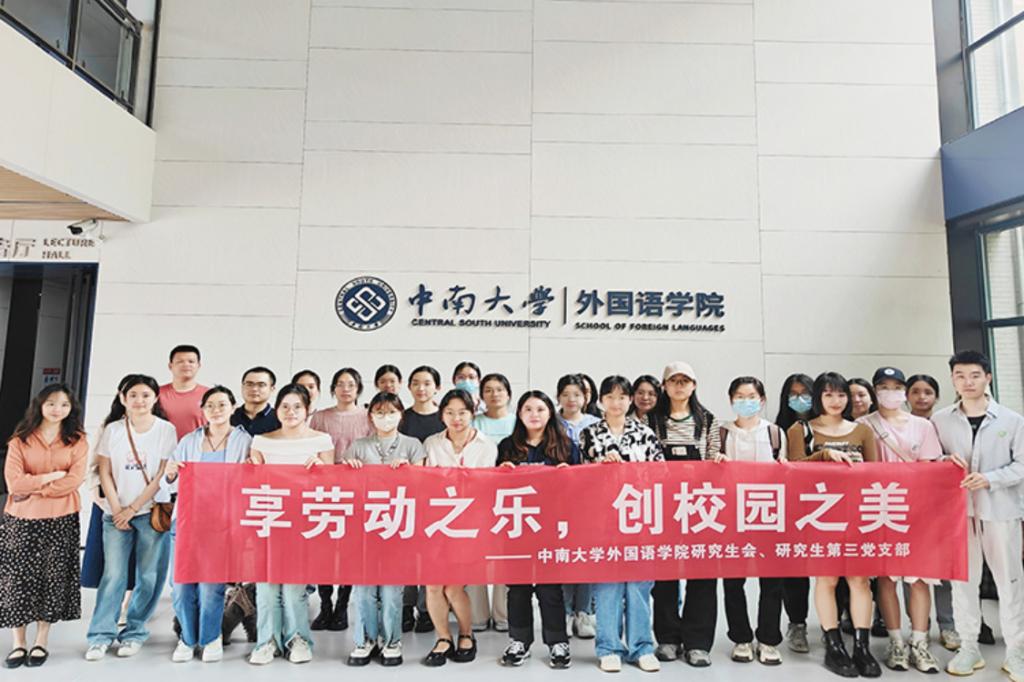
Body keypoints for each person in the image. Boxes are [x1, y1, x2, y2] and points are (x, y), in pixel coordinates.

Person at [931, 350, 1024, 680]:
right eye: (960, 375)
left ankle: (1016, 651)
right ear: (952, 380)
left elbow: (1022, 465)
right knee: (962, 582)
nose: (967, 382)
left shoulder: (1012, 420)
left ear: (988, 377)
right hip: (958, 514)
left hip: (1000, 511)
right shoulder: (941, 420)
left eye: (974, 375)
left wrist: (990, 479)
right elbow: (930, 460)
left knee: (1009, 582)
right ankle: (969, 647)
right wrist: (943, 462)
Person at [786, 372, 880, 678]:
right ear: (818, 398)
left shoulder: (862, 431)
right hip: (819, 516)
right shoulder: (801, 429)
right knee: (826, 579)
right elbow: (794, 469)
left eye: (841, 395)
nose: (836, 401)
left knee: (860, 580)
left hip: (858, 514)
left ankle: (862, 647)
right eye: (828, 394)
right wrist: (824, 455)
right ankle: (834, 644)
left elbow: (876, 474)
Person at [857, 367, 943, 674]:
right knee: (886, 577)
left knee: (918, 578)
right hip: (879, 509)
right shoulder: (863, 425)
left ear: (904, 391)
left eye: (896, 387)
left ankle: (919, 642)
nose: (890, 392)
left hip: (917, 511)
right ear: (875, 390)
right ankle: (895, 642)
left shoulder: (922, 426)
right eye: (883, 386)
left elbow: (929, 468)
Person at [85, 375, 177, 661]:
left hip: (150, 513)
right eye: (133, 395)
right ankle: (100, 636)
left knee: (148, 576)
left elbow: (161, 474)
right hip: (115, 515)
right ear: (123, 398)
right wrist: (117, 508)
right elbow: (104, 471)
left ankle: (134, 632)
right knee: (113, 575)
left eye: (146, 395)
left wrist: (134, 507)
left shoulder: (165, 429)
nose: (139, 400)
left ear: (155, 398)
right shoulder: (112, 429)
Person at [1, 384, 87, 669]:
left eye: (64, 404)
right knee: (18, 579)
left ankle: (41, 640)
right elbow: (14, 483)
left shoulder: (77, 440)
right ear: (39, 405)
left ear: (71, 409)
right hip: (22, 518)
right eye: (51, 403)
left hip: (61, 517)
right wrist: (49, 477)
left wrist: (36, 489)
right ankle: (18, 643)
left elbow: (74, 480)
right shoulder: (20, 440)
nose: (57, 409)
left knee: (52, 578)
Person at [581, 375, 663, 673]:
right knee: (607, 586)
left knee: (639, 586)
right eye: (610, 397)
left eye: (622, 397)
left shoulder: (645, 433)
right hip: (602, 520)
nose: (616, 403)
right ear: (601, 401)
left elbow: (661, 475)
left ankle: (642, 647)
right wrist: (599, 467)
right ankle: (609, 647)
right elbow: (577, 477)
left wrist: (630, 470)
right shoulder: (589, 434)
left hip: (639, 518)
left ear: (630, 401)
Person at [164, 386, 252, 663]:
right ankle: (187, 639)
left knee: (210, 587)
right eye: (210, 405)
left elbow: (250, 481)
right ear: (202, 410)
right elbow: (171, 480)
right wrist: (170, 473)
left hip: (221, 524)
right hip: (187, 521)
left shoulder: (244, 441)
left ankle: (210, 638)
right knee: (182, 586)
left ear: (233, 407)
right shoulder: (190, 440)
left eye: (222, 404)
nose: (216, 410)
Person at [247, 384, 333, 665]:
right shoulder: (262, 440)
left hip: (304, 523)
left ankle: (298, 639)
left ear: (307, 410)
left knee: (295, 588)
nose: (291, 412)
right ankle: (267, 642)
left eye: (297, 406)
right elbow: (252, 482)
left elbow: (333, 485)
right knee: (266, 588)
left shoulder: (322, 440)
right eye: (285, 406)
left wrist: (321, 470)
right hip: (268, 520)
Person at [342, 392, 426, 667]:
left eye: (391, 412)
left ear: (401, 415)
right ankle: (365, 640)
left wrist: (409, 471)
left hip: (397, 526)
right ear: (370, 416)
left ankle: (391, 641)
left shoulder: (413, 445)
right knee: (364, 590)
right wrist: (349, 471)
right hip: (364, 528)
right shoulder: (358, 446)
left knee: (392, 591)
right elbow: (345, 490)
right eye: (379, 413)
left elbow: (423, 487)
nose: (385, 418)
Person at [647, 361, 721, 668]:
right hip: (663, 505)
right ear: (664, 386)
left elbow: (714, 456)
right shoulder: (650, 420)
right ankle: (667, 638)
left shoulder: (708, 420)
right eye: (673, 381)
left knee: (702, 573)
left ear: (694, 385)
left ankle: (698, 642)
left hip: (701, 505)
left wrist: (717, 461)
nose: (679, 386)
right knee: (665, 573)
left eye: (685, 381)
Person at [497, 390, 578, 669]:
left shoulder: (565, 446)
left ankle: (557, 642)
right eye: (528, 409)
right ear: (519, 414)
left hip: (551, 527)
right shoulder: (508, 446)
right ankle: (519, 640)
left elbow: (581, 488)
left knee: (549, 588)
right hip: (517, 526)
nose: (534, 415)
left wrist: (569, 476)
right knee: (517, 589)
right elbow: (494, 488)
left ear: (550, 413)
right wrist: (502, 472)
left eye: (540, 409)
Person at [712, 376, 786, 666]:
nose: (746, 402)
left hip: (769, 515)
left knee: (772, 582)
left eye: (751, 396)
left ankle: (768, 639)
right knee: (733, 581)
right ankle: (741, 637)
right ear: (731, 401)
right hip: (732, 516)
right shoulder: (722, 433)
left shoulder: (774, 433)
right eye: (740, 397)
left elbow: (787, 473)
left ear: (762, 400)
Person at [421, 389, 497, 666]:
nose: (456, 418)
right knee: (433, 586)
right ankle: (443, 638)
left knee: (453, 587)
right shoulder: (432, 443)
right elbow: (423, 482)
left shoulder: (486, 445)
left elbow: (485, 485)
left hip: (469, 525)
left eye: (462, 412)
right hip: (436, 523)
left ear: (472, 414)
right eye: (450, 413)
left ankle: (466, 634)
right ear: (442, 415)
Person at [308, 368, 372, 632]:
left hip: (357, 492)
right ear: (333, 388)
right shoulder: (320, 417)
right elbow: (310, 448)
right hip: (325, 492)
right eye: (340, 384)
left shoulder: (368, 417)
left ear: (358, 388)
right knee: (323, 551)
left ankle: (343, 606)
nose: (346, 389)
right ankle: (325, 605)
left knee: (349, 552)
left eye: (351, 384)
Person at [904, 373, 961, 651]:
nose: (922, 397)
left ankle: (948, 624)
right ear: (906, 396)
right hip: (907, 507)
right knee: (910, 572)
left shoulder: (945, 424)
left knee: (943, 569)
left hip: (943, 507)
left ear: (936, 397)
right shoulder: (903, 425)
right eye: (915, 391)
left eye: (928, 392)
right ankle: (919, 625)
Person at [398, 365, 445, 633]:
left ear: (437, 387)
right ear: (409, 387)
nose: (421, 388)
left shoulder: (445, 417)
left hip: (437, 497)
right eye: (416, 383)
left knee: (430, 554)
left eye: (427, 383)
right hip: (405, 494)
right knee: (406, 553)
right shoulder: (401, 417)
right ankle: (406, 606)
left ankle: (427, 608)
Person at [469, 373, 515, 632]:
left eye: (499, 389)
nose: (494, 394)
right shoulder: (474, 422)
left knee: (505, 556)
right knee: (474, 555)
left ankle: (503, 614)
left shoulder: (518, 422)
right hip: (477, 497)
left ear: (508, 393)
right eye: (488, 389)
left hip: (509, 498)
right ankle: (477, 615)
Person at [555, 373, 600, 638]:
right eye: (566, 394)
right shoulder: (551, 422)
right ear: (558, 396)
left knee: (585, 555)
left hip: (589, 499)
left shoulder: (595, 424)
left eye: (577, 394)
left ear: (586, 397)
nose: (571, 399)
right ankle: (565, 611)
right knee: (562, 556)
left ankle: (583, 612)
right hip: (558, 500)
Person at [775, 372, 814, 654]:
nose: (799, 399)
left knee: (833, 571)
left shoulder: (826, 425)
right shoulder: (777, 429)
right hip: (792, 509)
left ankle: (839, 621)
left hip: (827, 504)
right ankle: (797, 623)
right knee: (795, 570)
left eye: (805, 393)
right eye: (793, 394)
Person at [160, 345, 208, 439]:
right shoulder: (156, 394)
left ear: (198, 365)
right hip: (164, 447)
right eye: (180, 361)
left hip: (199, 447)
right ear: (170, 366)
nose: (186, 365)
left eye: (191, 361)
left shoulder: (209, 395)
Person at [231, 367, 280, 436]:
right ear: (242, 387)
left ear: (272, 389)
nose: (254, 389)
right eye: (249, 384)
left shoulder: (280, 418)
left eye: (261, 385)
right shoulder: (230, 417)